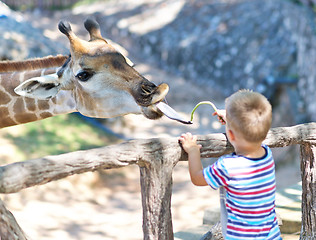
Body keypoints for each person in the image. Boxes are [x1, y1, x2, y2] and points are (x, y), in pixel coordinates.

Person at [179, 89, 282, 239]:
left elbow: (197, 177)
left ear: (231, 134)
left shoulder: (227, 167)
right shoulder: (267, 154)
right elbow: (248, 141)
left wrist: (193, 151)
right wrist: (232, 122)